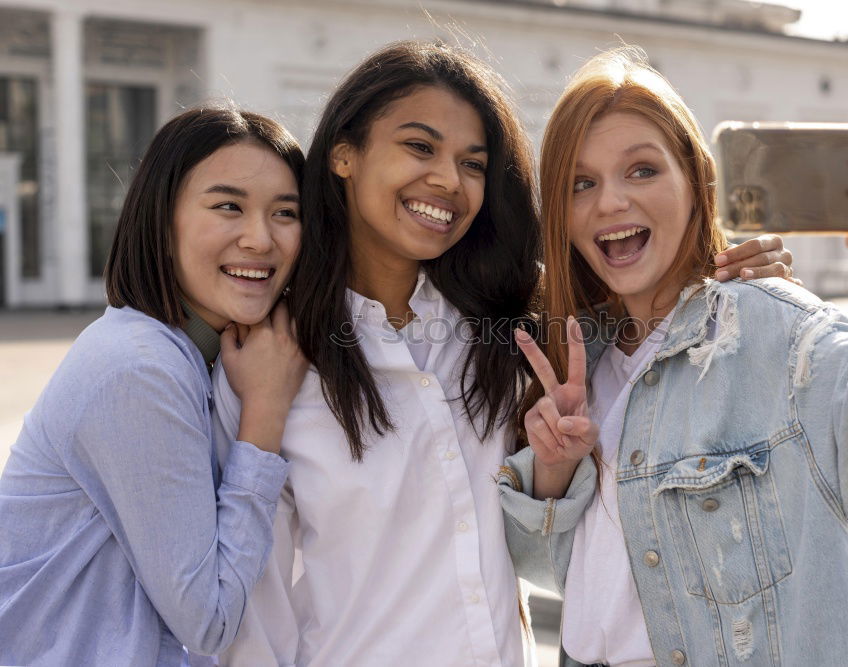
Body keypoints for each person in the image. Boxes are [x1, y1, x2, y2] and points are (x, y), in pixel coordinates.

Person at [213, 41, 794, 666]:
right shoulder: (272, 360)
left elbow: (641, 274)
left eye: (473, 163)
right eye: (419, 146)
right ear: (344, 154)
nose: (447, 180)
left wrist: (736, 271)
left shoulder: (510, 324)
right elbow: (256, 604)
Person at [499, 47, 848, 666]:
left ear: (699, 188)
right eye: (580, 183)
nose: (610, 201)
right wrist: (554, 468)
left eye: (642, 170)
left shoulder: (770, 328)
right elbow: (543, 567)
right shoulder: (571, 361)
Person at [0, 107, 310, 666]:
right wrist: (265, 412)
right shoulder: (139, 369)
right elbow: (208, 621)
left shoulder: (197, 353)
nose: (261, 239)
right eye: (227, 206)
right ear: (163, 224)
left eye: (285, 213)